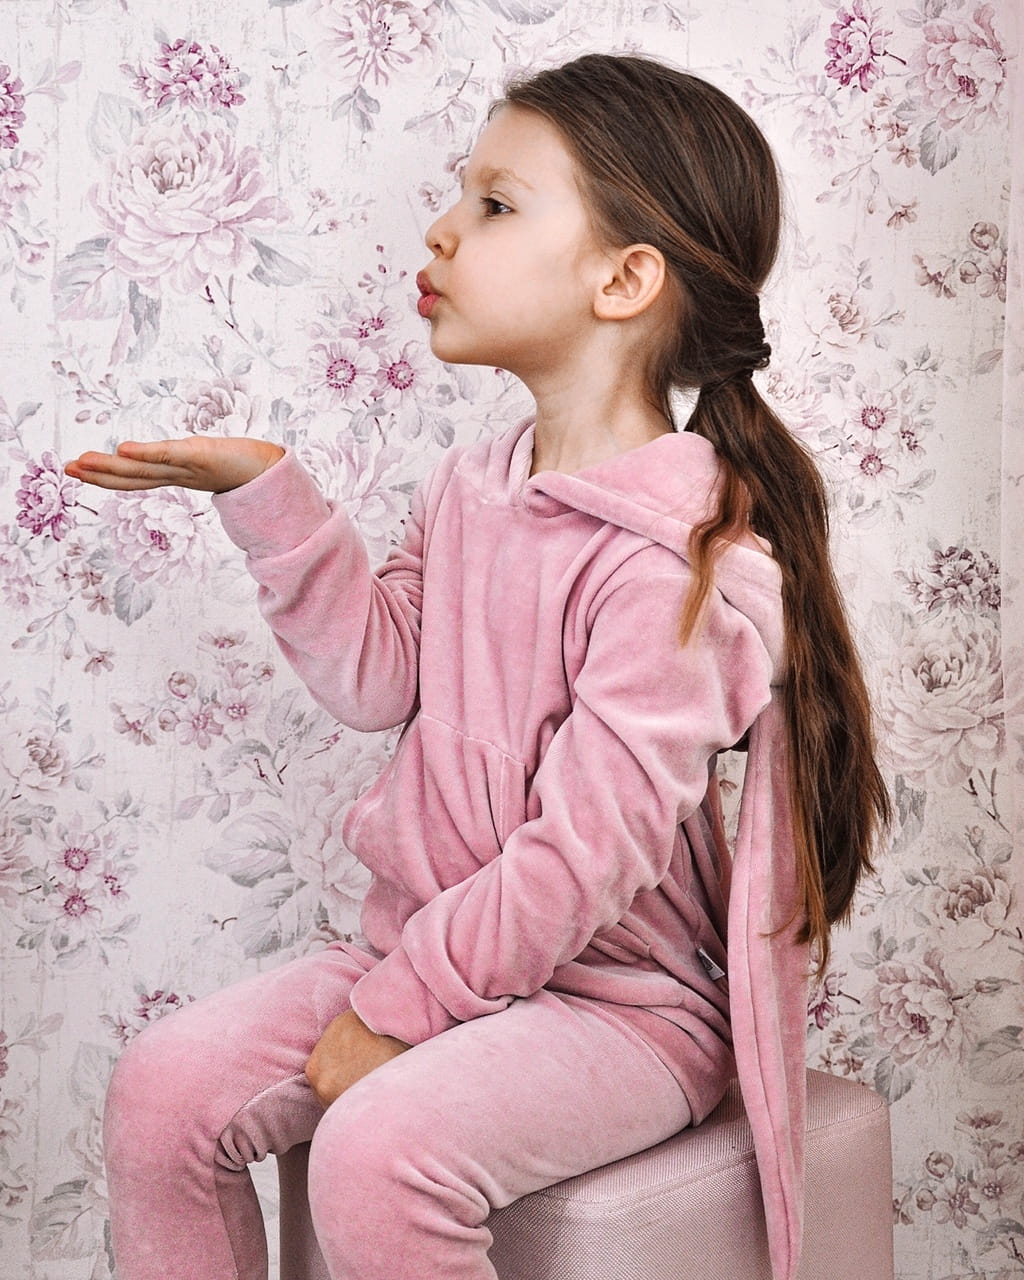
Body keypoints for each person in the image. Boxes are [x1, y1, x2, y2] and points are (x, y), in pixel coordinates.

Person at [65, 53, 890, 1280]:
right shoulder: (470, 488)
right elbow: (375, 677)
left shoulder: (678, 568)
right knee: (160, 1090)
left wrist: (395, 1015)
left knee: (378, 1151)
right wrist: (271, 495)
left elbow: (583, 858)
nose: (442, 231)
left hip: (622, 1008)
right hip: (426, 952)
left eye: (495, 205)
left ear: (624, 279)